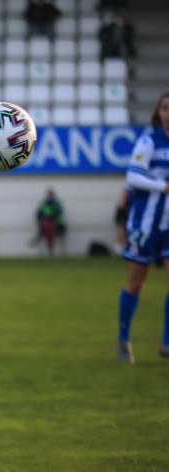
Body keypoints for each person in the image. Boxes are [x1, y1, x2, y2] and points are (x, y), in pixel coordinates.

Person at [116, 91, 169, 363]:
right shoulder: (149, 142)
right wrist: (163, 186)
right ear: (158, 113)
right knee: (137, 284)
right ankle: (124, 339)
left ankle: (167, 342)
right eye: (165, 108)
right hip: (145, 225)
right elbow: (133, 178)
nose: (168, 113)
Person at [33, 188, 66, 257]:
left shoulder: (57, 202)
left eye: (51, 194)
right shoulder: (44, 203)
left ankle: (60, 253)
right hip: (47, 223)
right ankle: (49, 252)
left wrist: (52, 218)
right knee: (47, 236)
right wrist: (41, 220)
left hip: (57, 223)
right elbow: (39, 213)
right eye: (49, 195)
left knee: (57, 237)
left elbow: (59, 212)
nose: (50, 196)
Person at [114, 185, 130, 254]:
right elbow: (121, 205)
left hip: (132, 212)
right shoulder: (129, 185)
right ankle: (118, 251)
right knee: (122, 230)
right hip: (124, 212)